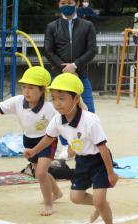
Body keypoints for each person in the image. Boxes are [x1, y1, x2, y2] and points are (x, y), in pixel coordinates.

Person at [24, 73, 119, 224]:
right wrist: (34, 151)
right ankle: (101, 204)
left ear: (76, 99)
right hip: (82, 161)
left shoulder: (90, 120)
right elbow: (49, 137)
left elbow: (103, 148)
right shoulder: (57, 119)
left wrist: (111, 173)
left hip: (99, 161)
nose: (57, 103)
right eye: (53, 98)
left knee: (98, 199)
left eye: (62, 98)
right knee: (76, 198)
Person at [0, 66, 63, 216]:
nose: (26, 91)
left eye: (31, 88)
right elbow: (1, 107)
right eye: (24, 87)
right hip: (28, 140)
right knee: (40, 172)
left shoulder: (50, 107)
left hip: (47, 140)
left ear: (42, 90)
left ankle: (48, 203)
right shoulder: (18, 101)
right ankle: (57, 193)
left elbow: (63, 123)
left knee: (40, 173)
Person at [44, 0, 97, 158]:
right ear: (58, 4)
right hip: (59, 76)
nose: (66, 5)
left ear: (77, 3)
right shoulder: (52, 26)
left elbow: (92, 49)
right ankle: (66, 146)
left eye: (70, 2)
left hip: (81, 75)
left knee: (88, 111)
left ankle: (89, 145)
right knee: (60, 111)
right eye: (63, 2)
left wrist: (75, 65)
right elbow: (48, 50)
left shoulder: (87, 25)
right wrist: (63, 67)